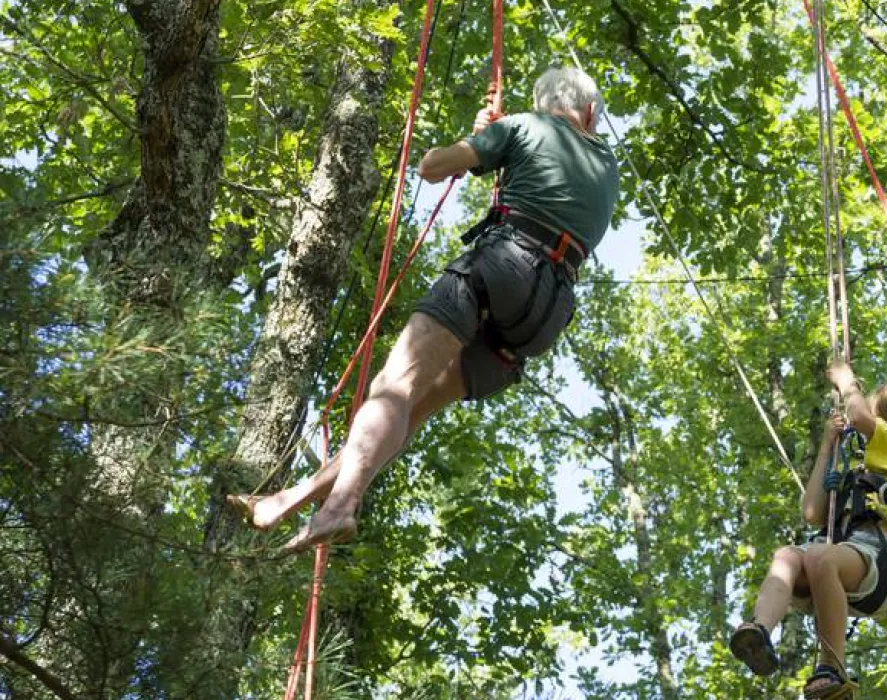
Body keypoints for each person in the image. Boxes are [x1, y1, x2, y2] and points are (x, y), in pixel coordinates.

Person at [228, 66, 620, 552]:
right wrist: (495, 145)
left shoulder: (525, 126)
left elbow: (432, 166)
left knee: (394, 388)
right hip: (546, 312)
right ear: (588, 112)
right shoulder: (607, 167)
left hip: (503, 265)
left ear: (545, 105)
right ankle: (288, 501)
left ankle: (339, 507)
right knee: (406, 412)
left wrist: (482, 140)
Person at [729, 360, 887, 700]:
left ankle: (833, 669)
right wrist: (829, 446)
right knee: (786, 555)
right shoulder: (855, 464)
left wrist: (847, 382)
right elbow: (813, 512)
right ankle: (759, 632)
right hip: (840, 556)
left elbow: (858, 417)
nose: (868, 429)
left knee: (819, 556)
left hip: (882, 559)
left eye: (879, 418)